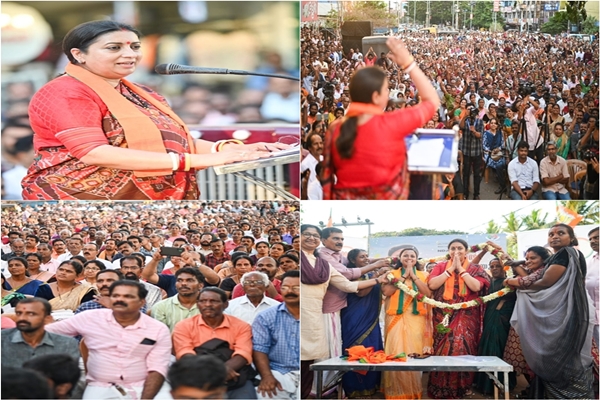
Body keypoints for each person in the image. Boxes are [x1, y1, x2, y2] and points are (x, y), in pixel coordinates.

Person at [21, 20, 285, 200]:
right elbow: (92, 153)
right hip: (75, 197)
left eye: (135, 46)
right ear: (78, 55)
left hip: (148, 196)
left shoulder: (141, 92)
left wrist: (232, 150)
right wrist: (199, 161)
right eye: (114, 48)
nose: (131, 54)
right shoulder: (64, 91)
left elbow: (176, 143)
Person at [320, 37, 440, 200]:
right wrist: (409, 63)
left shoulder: (335, 129)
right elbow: (432, 101)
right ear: (376, 96)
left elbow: (327, 177)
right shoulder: (392, 123)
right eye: (386, 89)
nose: (388, 93)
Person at [505, 224, 595, 398]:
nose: (554, 236)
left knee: (565, 358)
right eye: (551, 234)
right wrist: (520, 267)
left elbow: (546, 281)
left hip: (568, 314)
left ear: (572, 238)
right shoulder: (560, 256)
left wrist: (524, 288)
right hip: (567, 311)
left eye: (561, 233)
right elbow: (540, 272)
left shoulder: (566, 253)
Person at [300, 224, 387, 399]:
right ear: (324, 241)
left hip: (337, 309)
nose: (339, 242)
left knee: (333, 349)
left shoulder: (336, 257)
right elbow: (347, 275)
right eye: (335, 238)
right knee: (324, 351)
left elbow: (354, 269)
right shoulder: (323, 256)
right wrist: (376, 272)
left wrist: (378, 265)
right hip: (324, 310)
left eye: (341, 239)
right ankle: (319, 389)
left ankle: (329, 388)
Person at [45, 280, 172, 399]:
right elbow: (47, 331)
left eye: (128, 296)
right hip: (100, 385)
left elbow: (157, 369)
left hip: (142, 384)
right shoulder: (91, 318)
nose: (120, 300)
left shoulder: (157, 329)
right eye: (116, 296)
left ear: (142, 302)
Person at [426, 238, 490, 399]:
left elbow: (476, 287)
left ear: (466, 251)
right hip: (443, 315)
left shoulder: (475, 269)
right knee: (443, 349)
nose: (456, 251)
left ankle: (462, 387)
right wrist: (449, 271)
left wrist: (460, 269)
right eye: (453, 248)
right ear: (448, 251)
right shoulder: (440, 267)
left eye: (460, 248)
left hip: (466, 316)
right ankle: (439, 386)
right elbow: (432, 285)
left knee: (462, 348)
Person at [172, 287, 257, 400]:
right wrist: (215, 372)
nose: (207, 304)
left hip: (233, 375)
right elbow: (185, 353)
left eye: (214, 301)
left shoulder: (241, 326)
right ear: (197, 304)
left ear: (225, 304)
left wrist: (222, 370)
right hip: (195, 373)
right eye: (202, 301)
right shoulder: (184, 326)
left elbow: (243, 353)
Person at [380, 247, 432, 399]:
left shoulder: (424, 274)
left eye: (412, 256)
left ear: (417, 259)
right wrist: (403, 277)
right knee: (395, 350)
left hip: (417, 318)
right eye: (405, 256)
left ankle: (413, 389)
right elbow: (387, 292)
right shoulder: (391, 274)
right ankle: (395, 391)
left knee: (414, 350)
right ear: (400, 258)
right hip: (395, 317)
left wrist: (414, 277)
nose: (409, 258)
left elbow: (427, 294)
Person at [337, 248, 386, 398]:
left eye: (367, 256)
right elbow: (361, 292)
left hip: (371, 318)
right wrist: (377, 275)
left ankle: (371, 385)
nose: (365, 259)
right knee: (357, 349)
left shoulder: (370, 273)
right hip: (354, 317)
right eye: (361, 257)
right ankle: (354, 387)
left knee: (373, 348)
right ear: (352, 260)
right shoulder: (351, 274)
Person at [252, 270, 300, 400]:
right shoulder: (266, 316)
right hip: (278, 371)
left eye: (296, 288)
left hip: (307, 372)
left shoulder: (313, 316)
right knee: (264, 394)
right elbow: (259, 348)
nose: (290, 291)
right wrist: (267, 376)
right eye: (285, 287)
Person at [474, 258, 517, 394]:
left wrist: (503, 301)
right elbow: (473, 267)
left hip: (502, 321)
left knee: (499, 348)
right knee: (486, 346)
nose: (494, 269)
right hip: (489, 318)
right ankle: (484, 384)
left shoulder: (510, 282)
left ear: (504, 268)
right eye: (492, 266)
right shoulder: (488, 283)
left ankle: (502, 384)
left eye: (498, 266)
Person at [1, 297, 80, 367]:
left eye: (31, 314)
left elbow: (69, 378)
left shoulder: (66, 344)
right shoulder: (3, 339)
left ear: (47, 319)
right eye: (19, 313)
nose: (22, 318)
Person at [149, 267, 203, 332]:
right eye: (179, 280)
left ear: (200, 286)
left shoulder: (209, 307)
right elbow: (160, 336)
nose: (183, 283)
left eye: (189, 280)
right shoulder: (161, 307)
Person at [586, 227, 599, 345]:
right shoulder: (591, 261)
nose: (592, 241)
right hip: (594, 317)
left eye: (596, 237)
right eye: (590, 239)